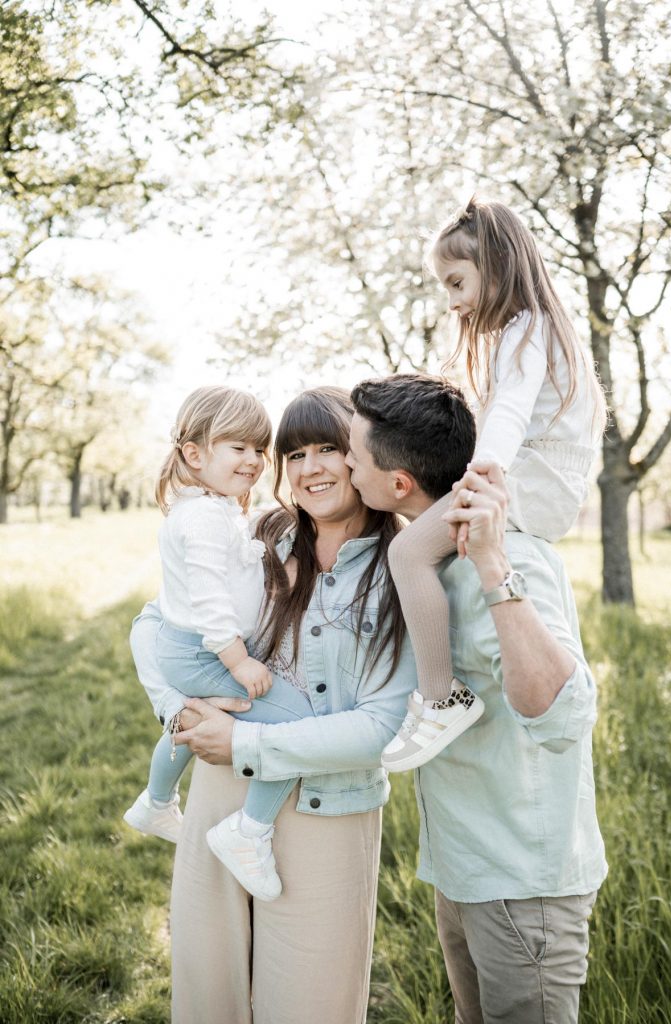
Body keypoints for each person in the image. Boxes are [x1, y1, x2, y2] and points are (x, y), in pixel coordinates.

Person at [129, 386, 433, 1024]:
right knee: (207, 999)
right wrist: (174, 708)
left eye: (330, 448)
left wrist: (245, 741)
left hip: (325, 813)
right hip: (220, 792)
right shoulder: (262, 538)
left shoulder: (403, 564)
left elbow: (382, 725)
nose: (310, 467)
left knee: (308, 1008)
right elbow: (156, 621)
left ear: (365, 456)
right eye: (293, 454)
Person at [345, 373, 607, 1024]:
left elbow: (567, 714)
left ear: (398, 483)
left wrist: (494, 569)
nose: (345, 469)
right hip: (466, 870)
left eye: (352, 458)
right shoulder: (426, 562)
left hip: (523, 885)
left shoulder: (506, 553)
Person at [382, 198, 607, 771]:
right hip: (546, 489)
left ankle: (440, 695)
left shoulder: (527, 329)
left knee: (408, 550)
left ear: (498, 262)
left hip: (527, 483)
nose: (453, 302)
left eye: (457, 283)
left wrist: (484, 475)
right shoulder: (549, 332)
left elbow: (508, 411)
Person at [123, 384, 317, 902]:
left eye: (260, 448)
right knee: (296, 723)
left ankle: (156, 800)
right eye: (239, 447)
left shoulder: (212, 509)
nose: (254, 460)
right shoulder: (204, 518)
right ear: (195, 453)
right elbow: (210, 599)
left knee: (196, 710)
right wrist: (237, 660)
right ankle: (249, 831)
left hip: (187, 648)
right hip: (205, 651)